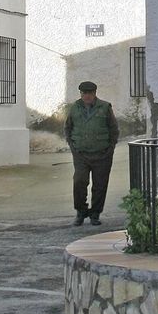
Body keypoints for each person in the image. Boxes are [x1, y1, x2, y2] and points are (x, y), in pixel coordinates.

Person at [64, 80, 120, 226]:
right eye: (84, 93)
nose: (87, 96)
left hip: (102, 154)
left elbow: (114, 129)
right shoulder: (74, 108)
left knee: (100, 185)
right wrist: (72, 147)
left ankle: (95, 213)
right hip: (81, 154)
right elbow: (68, 128)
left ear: (95, 93)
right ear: (81, 94)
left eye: (90, 93)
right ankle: (81, 212)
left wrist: (110, 148)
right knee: (79, 182)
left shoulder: (105, 107)